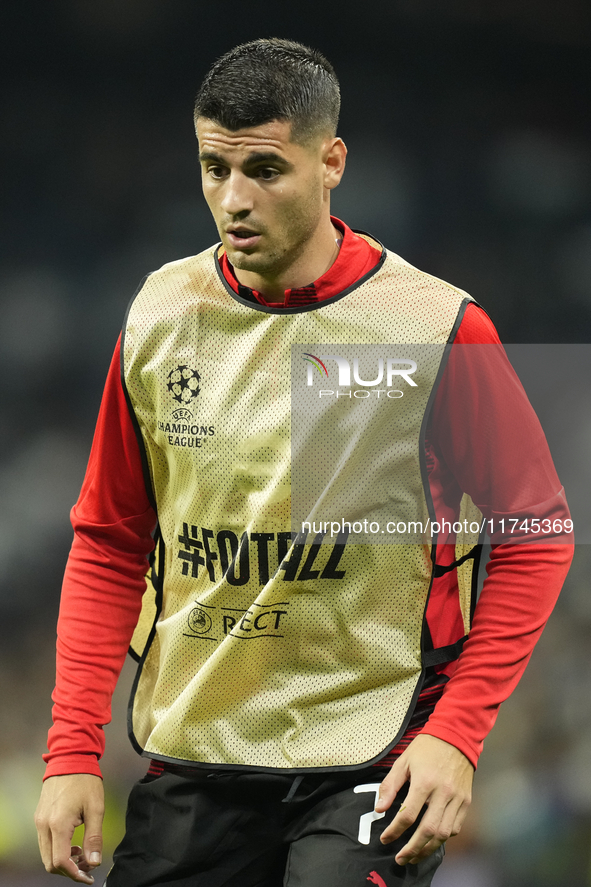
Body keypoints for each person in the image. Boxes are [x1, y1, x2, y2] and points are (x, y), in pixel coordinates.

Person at [35, 38, 573, 887]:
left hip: (376, 747)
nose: (233, 199)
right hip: (202, 747)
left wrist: (454, 735)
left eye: (264, 169)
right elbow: (108, 539)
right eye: (214, 168)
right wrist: (69, 750)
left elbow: (535, 531)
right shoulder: (158, 316)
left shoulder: (434, 327)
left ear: (332, 163)